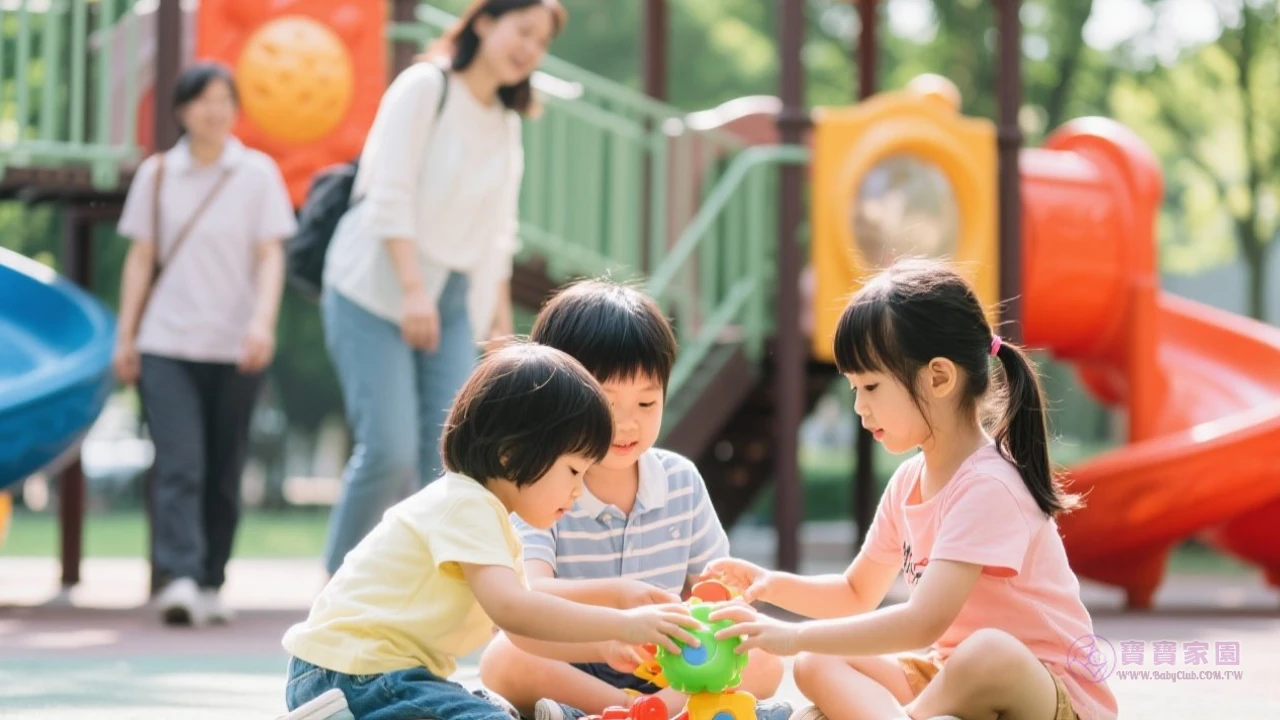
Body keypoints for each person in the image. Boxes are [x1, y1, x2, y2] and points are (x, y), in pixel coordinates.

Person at [703, 259, 1119, 720]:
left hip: (1043, 693)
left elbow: (923, 622)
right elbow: (855, 591)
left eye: (871, 386)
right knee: (817, 660)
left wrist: (791, 634)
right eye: (854, 389)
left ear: (938, 377)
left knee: (987, 654)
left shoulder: (989, 486)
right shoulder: (907, 483)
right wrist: (768, 586)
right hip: (944, 681)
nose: (860, 407)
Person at [281, 343, 701, 720]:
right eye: (573, 470)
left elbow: (522, 633)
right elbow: (513, 610)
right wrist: (621, 625)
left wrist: (604, 648)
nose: (576, 491)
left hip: (381, 674)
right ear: (511, 453)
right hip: (352, 675)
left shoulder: (489, 517)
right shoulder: (468, 505)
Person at [319, 0, 566, 576]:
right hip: (373, 289)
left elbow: (496, 237)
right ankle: (337, 589)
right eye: (521, 30)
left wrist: (503, 338)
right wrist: (411, 290)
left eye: (540, 42)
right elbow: (388, 194)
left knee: (457, 459)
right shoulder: (424, 87)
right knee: (388, 449)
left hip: (453, 300)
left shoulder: (506, 123)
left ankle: (424, 595)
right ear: (483, 21)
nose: (528, 48)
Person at [477, 281, 790, 720]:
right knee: (504, 656)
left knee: (764, 659)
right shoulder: (540, 483)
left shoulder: (680, 480)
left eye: (646, 402)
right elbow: (531, 592)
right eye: (607, 404)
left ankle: (648, 710)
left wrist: (715, 617)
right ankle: (633, 711)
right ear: (556, 397)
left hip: (666, 663)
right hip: (573, 654)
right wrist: (618, 600)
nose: (627, 425)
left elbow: (713, 589)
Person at [112, 61, 297, 626]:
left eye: (224, 100)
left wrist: (262, 323)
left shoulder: (258, 173)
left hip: (236, 345)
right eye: (202, 100)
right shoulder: (158, 175)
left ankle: (213, 578)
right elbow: (141, 258)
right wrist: (127, 336)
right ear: (181, 110)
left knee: (223, 465)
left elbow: (270, 255)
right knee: (179, 462)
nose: (214, 110)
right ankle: (182, 576)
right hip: (166, 340)